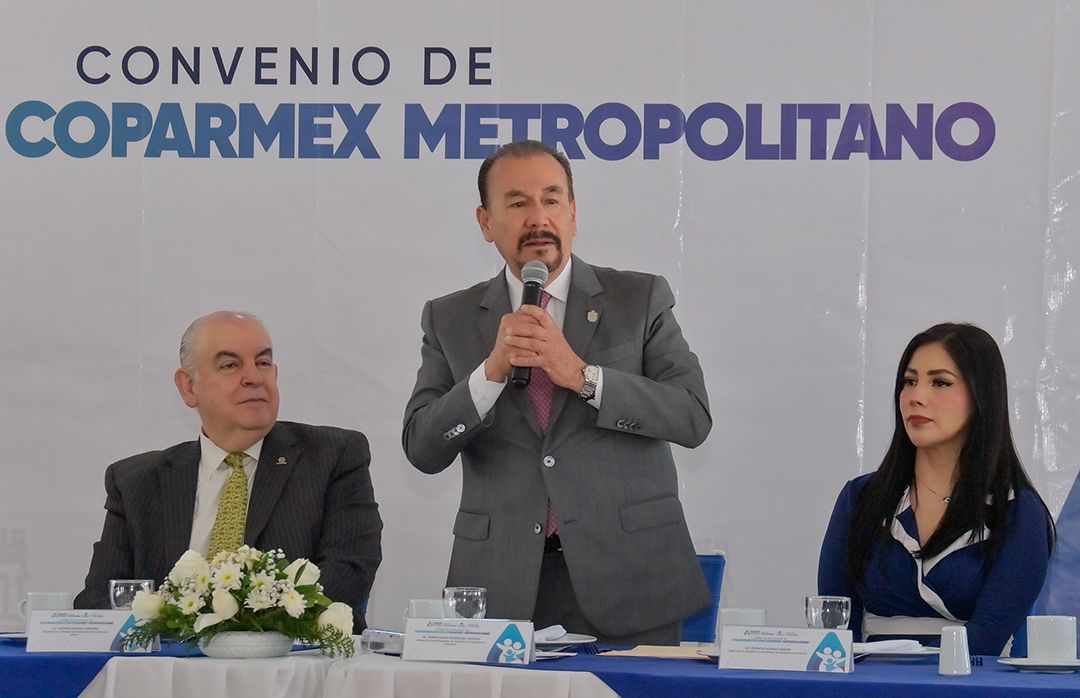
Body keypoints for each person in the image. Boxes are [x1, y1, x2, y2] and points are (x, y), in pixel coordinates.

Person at [402, 139, 712, 645]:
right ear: (485, 222)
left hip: (632, 581)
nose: (538, 218)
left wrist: (582, 376)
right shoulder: (448, 318)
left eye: (551, 199)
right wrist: (490, 374)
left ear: (573, 213)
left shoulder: (639, 298)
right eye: (518, 203)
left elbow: (691, 416)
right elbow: (422, 447)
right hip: (502, 586)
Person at [74, 311, 383, 632]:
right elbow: (99, 601)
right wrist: (180, 623)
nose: (254, 377)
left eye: (263, 363)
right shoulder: (136, 481)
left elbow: (346, 580)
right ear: (188, 387)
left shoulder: (332, 457)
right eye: (230, 365)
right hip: (169, 660)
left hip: (289, 660)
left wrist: (234, 632)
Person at [817, 322, 1054, 655]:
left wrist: (914, 673)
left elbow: (989, 633)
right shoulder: (860, 497)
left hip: (968, 679)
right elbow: (836, 623)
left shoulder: (1017, 510)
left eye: (940, 383)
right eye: (909, 381)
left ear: (981, 397)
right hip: (868, 677)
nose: (917, 397)